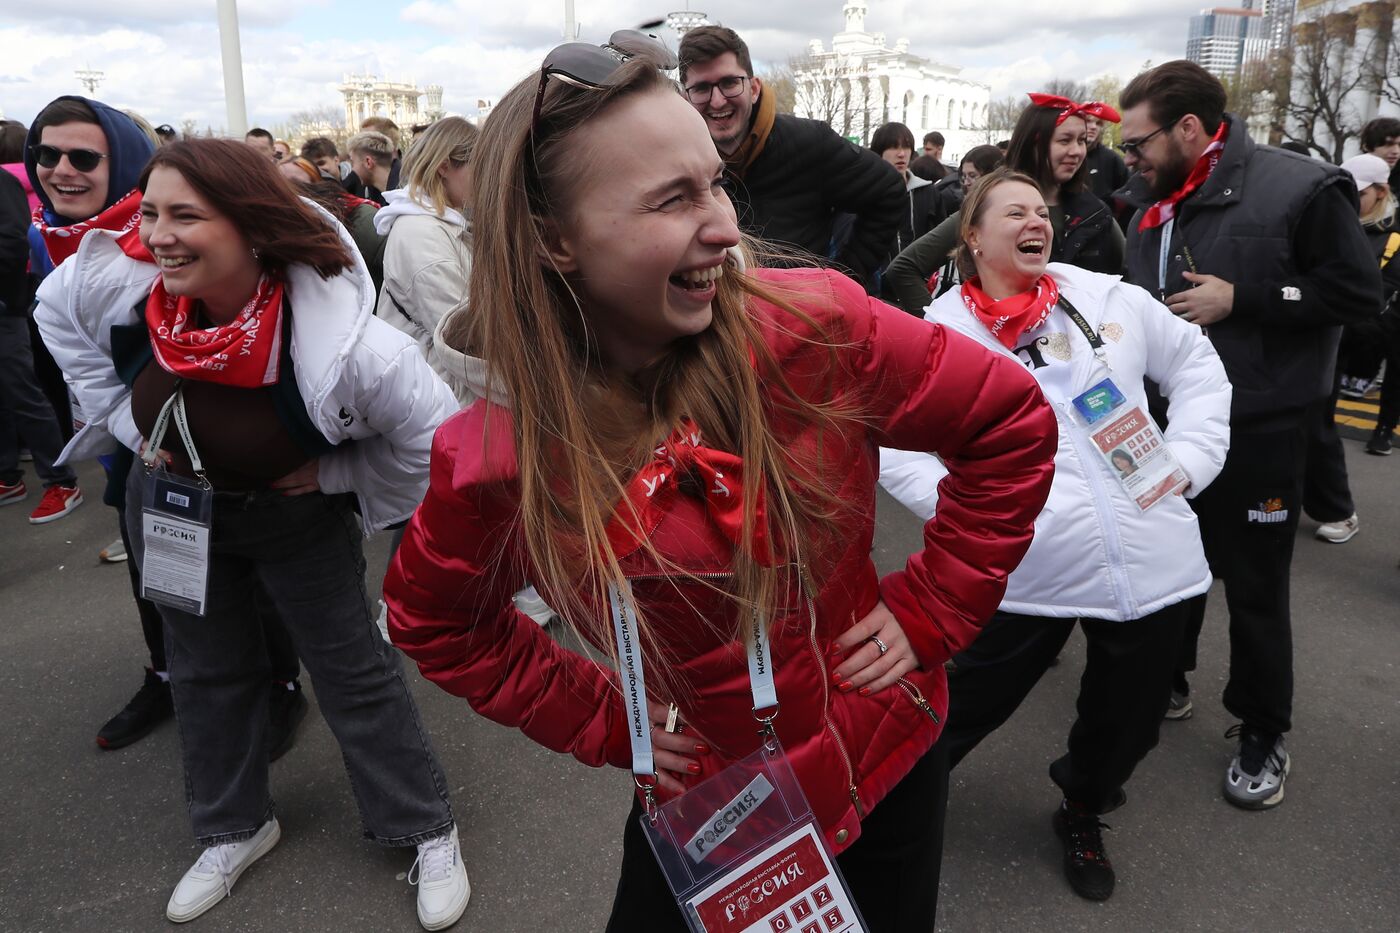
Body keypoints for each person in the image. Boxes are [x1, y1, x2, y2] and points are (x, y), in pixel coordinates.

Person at [384, 35, 1057, 932]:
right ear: (554, 240)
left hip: (890, 755)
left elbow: (1008, 421)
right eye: (671, 198)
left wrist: (932, 609)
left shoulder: (815, 329)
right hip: (711, 810)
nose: (724, 226)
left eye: (714, 183)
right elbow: (435, 620)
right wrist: (606, 719)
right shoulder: (503, 456)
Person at [34, 138, 470, 930]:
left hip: (295, 522)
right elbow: (55, 315)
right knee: (202, 670)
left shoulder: (351, 338)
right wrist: (130, 433)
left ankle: (424, 824)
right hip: (172, 511)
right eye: (152, 211)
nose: (156, 234)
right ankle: (234, 825)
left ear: (250, 226)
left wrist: (338, 478)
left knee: (352, 673)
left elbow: (432, 438)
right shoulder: (130, 292)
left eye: (185, 216)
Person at [880, 168, 1230, 902]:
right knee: (957, 702)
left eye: (1041, 211)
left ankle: (1084, 803)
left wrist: (1191, 461)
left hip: (1153, 558)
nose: (1036, 220)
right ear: (971, 236)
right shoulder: (939, 332)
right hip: (1020, 568)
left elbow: (1196, 365)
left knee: (1126, 721)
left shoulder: (1108, 298)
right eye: (1014, 212)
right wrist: (980, 511)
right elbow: (894, 444)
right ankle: (887, 810)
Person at [1115, 60, 1382, 809]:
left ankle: (1263, 727)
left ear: (1190, 130)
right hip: (1164, 421)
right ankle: (1165, 682)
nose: (1128, 158)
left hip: (1260, 424)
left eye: (1138, 142)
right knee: (1170, 563)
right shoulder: (1149, 194)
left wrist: (1248, 298)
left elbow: (1357, 292)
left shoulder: (1300, 184)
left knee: (1256, 588)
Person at [25, 96, 311, 753]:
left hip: (226, 444)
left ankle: (278, 684)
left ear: (121, 160)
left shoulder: (173, 239)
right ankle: (167, 672)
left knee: (246, 566)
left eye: (82, 156)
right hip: (136, 438)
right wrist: (144, 441)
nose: (60, 168)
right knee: (155, 567)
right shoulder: (60, 252)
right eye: (46, 153)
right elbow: (87, 369)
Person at [677, 25, 906, 291]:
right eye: (702, 88)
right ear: (686, 97)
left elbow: (889, 192)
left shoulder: (810, 143)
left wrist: (841, 282)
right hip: (714, 321)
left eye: (729, 83)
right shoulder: (678, 158)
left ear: (753, 88)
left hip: (799, 322)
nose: (717, 101)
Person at [884, 95, 1122, 316]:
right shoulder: (988, 205)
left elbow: (1125, 283)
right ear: (1033, 144)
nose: (1076, 151)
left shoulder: (1096, 214)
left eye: (1082, 140)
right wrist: (941, 332)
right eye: (1064, 140)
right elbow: (904, 268)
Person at [374, 116, 478, 402]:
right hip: (441, 399)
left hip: (439, 390)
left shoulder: (437, 224)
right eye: (479, 167)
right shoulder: (423, 236)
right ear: (444, 166)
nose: (486, 179)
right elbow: (468, 340)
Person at [1338, 153, 1400, 455]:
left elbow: (1382, 288)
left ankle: (1384, 429)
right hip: (1346, 329)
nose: (1350, 199)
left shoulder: (1393, 234)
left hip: (1383, 323)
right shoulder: (1340, 222)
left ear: (1381, 191)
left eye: (1359, 193)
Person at [279, 156, 387, 293]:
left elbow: (396, 271)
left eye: (296, 184)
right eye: (280, 185)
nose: (288, 193)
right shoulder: (277, 236)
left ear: (317, 184)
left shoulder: (360, 217)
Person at [346, 130, 395, 206]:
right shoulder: (400, 191)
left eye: (353, 162)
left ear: (368, 162)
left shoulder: (403, 199)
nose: (352, 169)